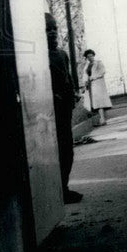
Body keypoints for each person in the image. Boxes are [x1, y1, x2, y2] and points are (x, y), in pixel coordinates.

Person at [46, 13, 83, 203]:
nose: (52, 33)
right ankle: (56, 193)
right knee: (54, 153)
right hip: (49, 114)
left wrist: (73, 94)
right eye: (47, 29)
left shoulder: (62, 54)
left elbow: (67, 78)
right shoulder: (39, 58)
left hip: (64, 111)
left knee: (67, 151)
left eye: (54, 29)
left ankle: (63, 188)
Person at [81, 49, 112, 126]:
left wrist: (93, 77)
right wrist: (85, 82)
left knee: (99, 103)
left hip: (98, 85)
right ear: (86, 58)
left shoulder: (98, 63)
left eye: (91, 56)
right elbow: (85, 74)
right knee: (93, 104)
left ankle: (102, 119)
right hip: (90, 86)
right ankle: (100, 119)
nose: (90, 58)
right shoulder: (87, 66)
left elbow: (102, 72)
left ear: (93, 55)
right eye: (88, 57)